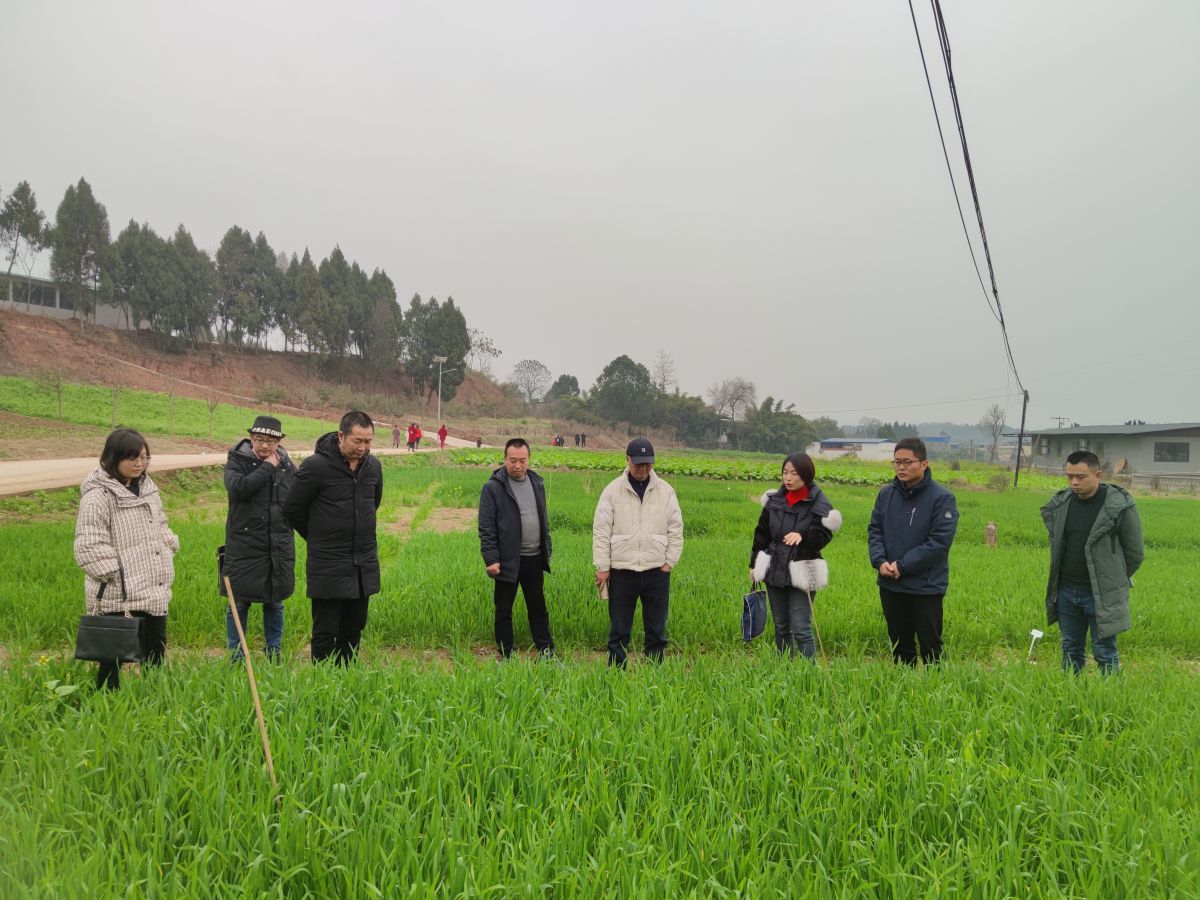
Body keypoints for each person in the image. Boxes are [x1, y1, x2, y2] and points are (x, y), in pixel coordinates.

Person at [73, 428, 180, 690]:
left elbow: (161, 523)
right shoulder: (98, 496)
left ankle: (154, 696)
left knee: (155, 650)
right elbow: (89, 543)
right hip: (118, 590)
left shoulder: (148, 488)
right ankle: (107, 699)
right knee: (112, 656)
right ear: (113, 458)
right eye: (132, 458)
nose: (139, 463)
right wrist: (114, 573)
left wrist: (169, 544)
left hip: (153, 585)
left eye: (144, 457)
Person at [283, 411, 383, 665]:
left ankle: (346, 676)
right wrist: (317, 536)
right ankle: (322, 679)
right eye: (357, 441)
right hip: (328, 561)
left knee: (354, 627)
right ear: (341, 436)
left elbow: (373, 502)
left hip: (362, 562)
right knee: (325, 630)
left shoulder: (373, 466)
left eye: (368, 441)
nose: (363, 447)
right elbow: (292, 508)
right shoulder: (316, 466)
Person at [1041, 450, 1144, 674]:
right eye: (1069, 476)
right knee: (1070, 649)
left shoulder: (1118, 506)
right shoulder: (1062, 504)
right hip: (1066, 592)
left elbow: (1135, 553)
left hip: (1101, 594)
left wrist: (1112, 578)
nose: (1074, 482)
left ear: (1098, 475)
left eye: (1080, 477)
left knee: (1104, 651)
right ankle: (1072, 690)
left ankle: (1109, 694)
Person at [867, 437, 958, 666]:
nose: (901, 467)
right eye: (897, 462)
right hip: (891, 584)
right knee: (899, 645)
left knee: (930, 646)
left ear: (924, 464)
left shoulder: (942, 498)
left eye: (907, 462)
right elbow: (875, 530)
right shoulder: (886, 494)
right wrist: (880, 561)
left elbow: (939, 543)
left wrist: (903, 566)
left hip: (926, 586)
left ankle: (936, 686)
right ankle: (902, 685)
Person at [592, 438, 684, 666]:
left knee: (656, 629)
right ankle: (616, 673)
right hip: (622, 571)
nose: (643, 469)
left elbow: (676, 529)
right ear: (627, 460)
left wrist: (669, 563)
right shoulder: (613, 490)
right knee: (619, 629)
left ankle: (654, 672)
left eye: (647, 464)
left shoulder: (665, 491)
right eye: (638, 464)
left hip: (656, 571)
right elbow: (601, 531)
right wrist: (603, 567)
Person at [749, 452, 842, 657]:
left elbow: (824, 535)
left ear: (806, 475)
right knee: (781, 626)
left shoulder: (819, 503)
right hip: (775, 568)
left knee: (801, 628)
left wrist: (803, 535)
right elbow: (762, 534)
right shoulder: (774, 501)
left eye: (794, 473)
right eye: (785, 472)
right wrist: (754, 564)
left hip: (802, 569)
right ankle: (785, 668)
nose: (788, 478)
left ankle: (809, 671)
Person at [221, 415, 295, 662]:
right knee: (239, 602)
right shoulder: (237, 462)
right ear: (251, 438)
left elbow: (296, 498)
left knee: (275, 602)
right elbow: (239, 489)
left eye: (270, 441)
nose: (264, 445)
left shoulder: (287, 465)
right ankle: (236, 656)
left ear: (278, 442)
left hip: (278, 543)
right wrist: (268, 467)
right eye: (259, 439)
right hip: (244, 545)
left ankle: (274, 653)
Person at [478, 438, 556, 659]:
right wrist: (491, 558)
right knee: (504, 609)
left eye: (522, 460)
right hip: (507, 560)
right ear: (504, 459)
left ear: (529, 459)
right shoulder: (493, 488)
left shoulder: (536, 483)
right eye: (513, 460)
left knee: (538, 607)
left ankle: (546, 651)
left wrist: (547, 548)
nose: (518, 465)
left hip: (534, 558)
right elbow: (486, 527)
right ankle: (506, 654)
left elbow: (543, 519)